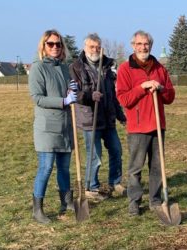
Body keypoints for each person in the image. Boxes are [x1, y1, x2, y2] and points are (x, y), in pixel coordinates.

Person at [116, 30, 175, 216]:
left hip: (158, 126)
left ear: (151, 45)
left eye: (146, 44)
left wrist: (161, 88)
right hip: (138, 127)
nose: (143, 47)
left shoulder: (160, 68)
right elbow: (124, 99)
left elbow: (170, 96)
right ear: (133, 46)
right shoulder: (125, 69)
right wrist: (142, 87)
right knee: (135, 168)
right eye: (139, 44)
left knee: (157, 167)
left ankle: (156, 200)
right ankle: (134, 201)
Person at [69, 33, 127, 201]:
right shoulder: (76, 67)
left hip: (108, 117)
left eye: (98, 47)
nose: (95, 50)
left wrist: (120, 115)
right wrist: (89, 96)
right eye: (91, 47)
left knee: (116, 150)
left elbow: (112, 95)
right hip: (90, 119)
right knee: (95, 155)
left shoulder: (107, 66)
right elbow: (74, 93)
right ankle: (91, 187)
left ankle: (115, 182)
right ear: (84, 48)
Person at [29, 29, 77, 224]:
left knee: (64, 168)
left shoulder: (65, 67)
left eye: (58, 44)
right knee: (46, 167)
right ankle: (37, 209)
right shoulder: (38, 68)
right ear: (43, 46)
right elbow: (37, 97)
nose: (55, 47)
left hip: (65, 126)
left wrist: (73, 89)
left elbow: (69, 93)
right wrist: (64, 101)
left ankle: (67, 202)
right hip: (47, 128)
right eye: (51, 44)